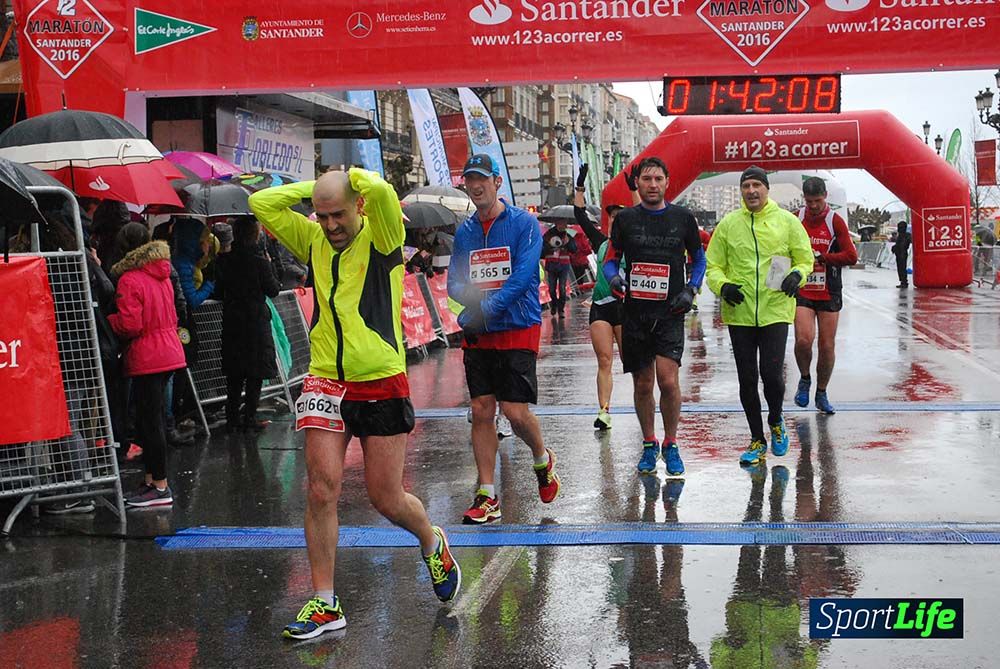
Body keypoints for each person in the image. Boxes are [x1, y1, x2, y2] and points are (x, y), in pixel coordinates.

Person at [249, 168, 460, 640]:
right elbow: (261, 205)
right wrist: (318, 191)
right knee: (321, 489)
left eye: (337, 214)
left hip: (380, 380)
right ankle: (325, 602)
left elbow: (382, 190)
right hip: (326, 379)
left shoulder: (383, 234)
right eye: (321, 216)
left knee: (385, 498)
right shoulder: (312, 239)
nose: (329, 225)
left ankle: (431, 540)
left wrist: (346, 180)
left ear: (358, 206)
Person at [448, 153, 561, 525]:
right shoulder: (465, 231)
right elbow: (454, 282)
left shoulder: (524, 223)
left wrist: (488, 307)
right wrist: (474, 305)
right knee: (481, 410)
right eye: (469, 180)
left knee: (513, 412)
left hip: (516, 324)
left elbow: (524, 276)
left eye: (482, 178)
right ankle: (486, 495)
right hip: (481, 329)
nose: (476, 185)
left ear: (498, 182)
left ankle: (542, 457)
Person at [602, 157, 704, 477]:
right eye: (646, 179)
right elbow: (610, 261)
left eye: (658, 179)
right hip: (635, 313)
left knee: (668, 380)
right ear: (640, 183)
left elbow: (699, 260)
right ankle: (649, 443)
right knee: (644, 383)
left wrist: (691, 289)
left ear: (667, 182)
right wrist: (614, 279)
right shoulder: (626, 220)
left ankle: (671, 443)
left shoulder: (683, 218)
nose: (652, 184)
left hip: (671, 310)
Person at [706, 166, 813, 466]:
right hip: (739, 312)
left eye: (756, 185)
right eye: (746, 186)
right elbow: (713, 265)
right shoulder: (728, 225)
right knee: (747, 379)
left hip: (775, 309)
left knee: (771, 375)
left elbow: (805, 259)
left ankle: (776, 421)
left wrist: (797, 275)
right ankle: (757, 438)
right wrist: (723, 286)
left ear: (767, 189)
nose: (751, 191)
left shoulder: (787, 222)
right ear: (741, 191)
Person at [108, 230, 187, 508]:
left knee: (150, 423)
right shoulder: (161, 274)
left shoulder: (129, 280)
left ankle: (160, 486)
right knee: (151, 419)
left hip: (147, 355)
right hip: (168, 350)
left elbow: (131, 325)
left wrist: (109, 321)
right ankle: (152, 481)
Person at [572, 163, 636, 430]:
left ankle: (642, 405)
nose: (615, 220)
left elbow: (644, 215)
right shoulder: (601, 241)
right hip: (600, 307)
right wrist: (580, 185)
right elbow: (579, 214)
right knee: (604, 361)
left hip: (625, 308)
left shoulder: (635, 241)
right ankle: (604, 411)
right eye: (612, 217)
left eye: (620, 216)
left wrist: (633, 189)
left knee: (631, 362)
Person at [792, 177, 858, 415]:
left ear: (825, 196)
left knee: (826, 345)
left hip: (829, 289)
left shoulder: (835, 221)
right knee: (803, 340)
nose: (813, 207)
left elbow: (852, 256)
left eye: (817, 201)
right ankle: (805, 378)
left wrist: (822, 257)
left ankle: (821, 392)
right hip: (803, 289)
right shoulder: (795, 218)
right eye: (809, 202)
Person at [214, 217, 281, 433]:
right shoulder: (259, 262)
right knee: (254, 373)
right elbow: (273, 289)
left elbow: (219, 289)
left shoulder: (225, 260)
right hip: (255, 322)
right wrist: (270, 264)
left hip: (233, 320)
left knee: (235, 374)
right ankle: (249, 416)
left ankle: (232, 418)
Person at [542, 217, 577, 319]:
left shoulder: (568, 235)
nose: (564, 226)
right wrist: (550, 245)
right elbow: (542, 250)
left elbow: (574, 249)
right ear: (557, 223)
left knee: (562, 288)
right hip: (552, 265)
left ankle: (561, 310)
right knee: (552, 289)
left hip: (563, 265)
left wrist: (568, 243)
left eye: (565, 224)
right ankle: (554, 304)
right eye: (562, 223)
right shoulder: (548, 234)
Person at [890, 221, 911, 288]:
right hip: (899, 253)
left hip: (902, 253)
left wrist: (896, 247)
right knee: (900, 268)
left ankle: (904, 281)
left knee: (902, 267)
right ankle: (902, 281)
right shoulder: (902, 235)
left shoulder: (906, 235)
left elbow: (902, 245)